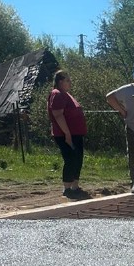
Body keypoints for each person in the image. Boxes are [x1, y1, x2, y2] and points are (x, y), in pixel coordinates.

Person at [47, 69, 90, 200]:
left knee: (78, 159)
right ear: (60, 81)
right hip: (65, 134)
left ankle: (75, 187)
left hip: (76, 133)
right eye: (67, 80)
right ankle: (67, 188)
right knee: (70, 159)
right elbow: (58, 115)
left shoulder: (66, 94)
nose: (70, 82)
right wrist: (67, 134)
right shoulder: (57, 94)